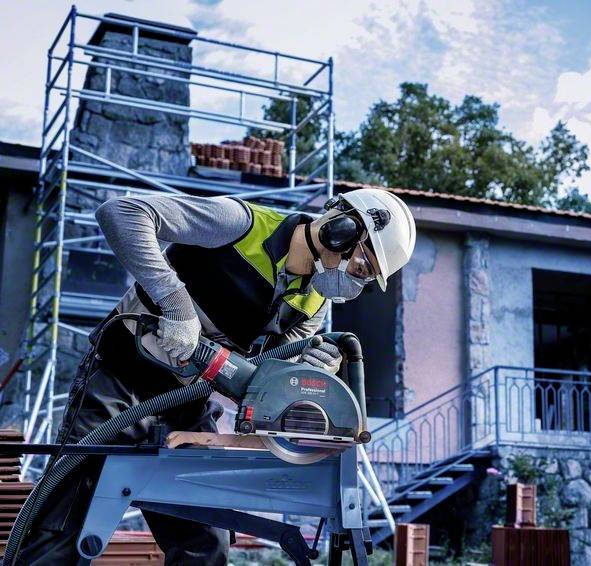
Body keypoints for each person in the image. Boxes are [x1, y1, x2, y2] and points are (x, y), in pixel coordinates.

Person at [16, 188, 416, 565]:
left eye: (365, 278)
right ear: (341, 229)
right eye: (362, 266)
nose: (355, 281)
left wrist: (304, 376)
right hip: (118, 382)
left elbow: (262, 384)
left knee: (204, 542)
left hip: (187, 407)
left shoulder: (313, 304)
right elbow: (121, 212)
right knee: (65, 518)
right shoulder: (239, 223)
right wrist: (176, 303)